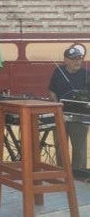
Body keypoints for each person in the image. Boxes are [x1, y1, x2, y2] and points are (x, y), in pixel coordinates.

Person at [48, 46, 89, 176]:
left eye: (79, 58)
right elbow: (51, 90)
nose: (77, 61)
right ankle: (61, 172)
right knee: (60, 145)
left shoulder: (87, 74)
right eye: (73, 59)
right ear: (65, 60)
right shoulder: (58, 71)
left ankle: (79, 174)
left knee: (79, 147)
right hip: (60, 113)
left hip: (80, 116)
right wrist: (55, 104)